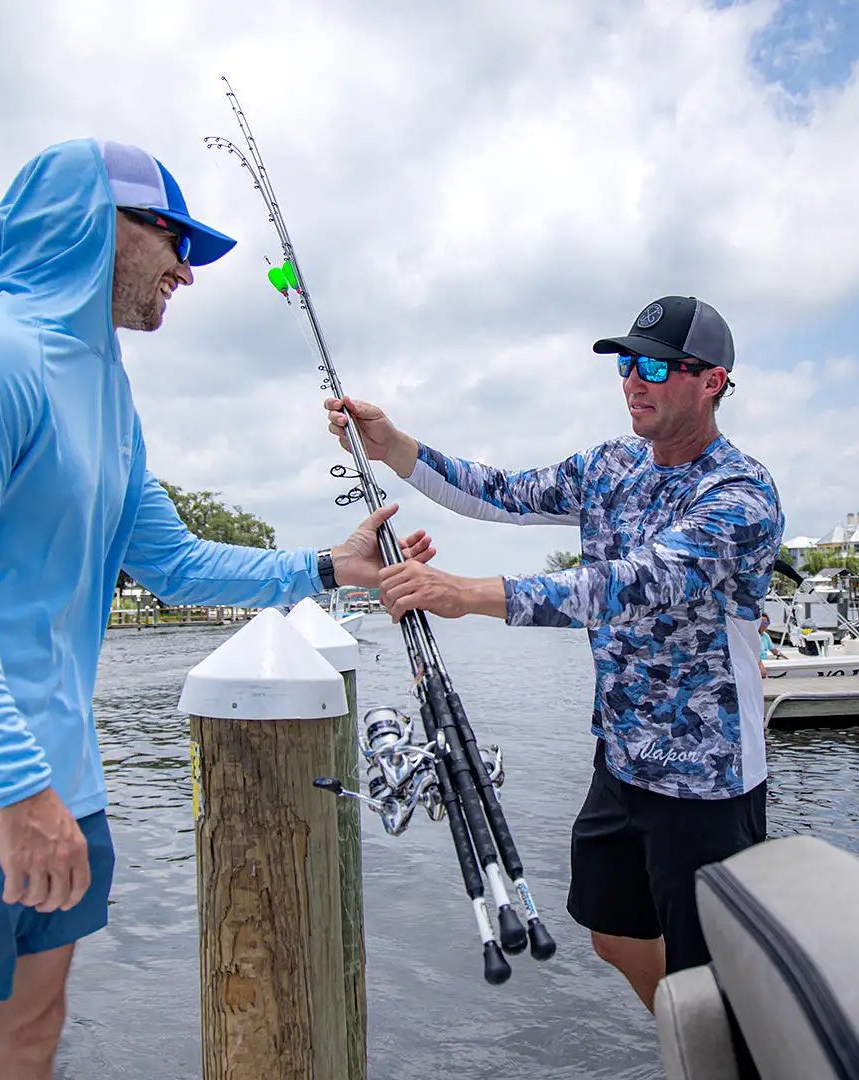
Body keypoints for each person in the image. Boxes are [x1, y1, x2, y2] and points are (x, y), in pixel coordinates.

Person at [0, 139, 434, 1080]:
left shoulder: (107, 394)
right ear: (93, 227)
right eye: (171, 234)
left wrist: (325, 567)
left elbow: (170, 561)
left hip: (60, 781)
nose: (187, 267)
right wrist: (14, 787)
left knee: (30, 1031)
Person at [325, 295, 784, 1012]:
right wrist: (395, 449)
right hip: (623, 756)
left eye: (656, 366)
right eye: (628, 363)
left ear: (711, 380)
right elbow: (502, 493)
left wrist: (463, 592)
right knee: (614, 932)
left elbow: (628, 585)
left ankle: (720, 1044)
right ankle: (697, 1044)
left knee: (716, 975)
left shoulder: (741, 495)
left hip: (707, 778)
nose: (634, 380)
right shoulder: (610, 465)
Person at [758, 612, 785, 677]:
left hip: (765, 659)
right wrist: (760, 665)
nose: (764, 625)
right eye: (762, 623)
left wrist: (786, 659)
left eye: (766, 623)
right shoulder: (754, 636)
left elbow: (774, 650)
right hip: (760, 662)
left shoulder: (765, 635)